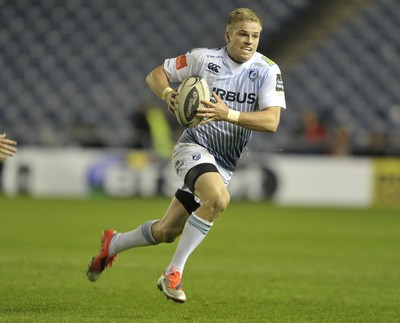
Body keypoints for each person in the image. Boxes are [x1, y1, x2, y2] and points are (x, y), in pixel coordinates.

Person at [87, 7, 286, 303]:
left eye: (255, 36)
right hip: (192, 147)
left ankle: (112, 244)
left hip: (224, 163)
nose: (249, 41)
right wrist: (168, 94)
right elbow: (156, 75)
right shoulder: (203, 58)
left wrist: (227, 113)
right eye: (243, 34)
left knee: (166, 232)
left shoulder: (268, 70)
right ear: (228, 35)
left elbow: (271, 121)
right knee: (218, 200)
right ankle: (172, 273)